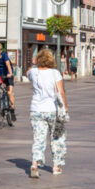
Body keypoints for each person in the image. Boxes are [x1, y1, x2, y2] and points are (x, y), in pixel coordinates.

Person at [27, 49, 68, 178]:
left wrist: (34, 63)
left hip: (36, 110)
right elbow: (61, 92)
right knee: (57, 138)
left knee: (38, 138)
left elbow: (28, 72)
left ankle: (35, 164)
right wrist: (65, 107)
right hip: (52, 110)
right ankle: (56, 167)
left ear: (38, 60)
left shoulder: (33, 72)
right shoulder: (55, 73)